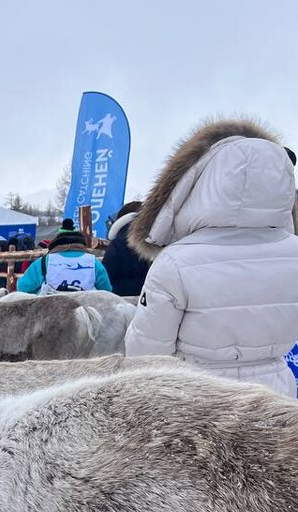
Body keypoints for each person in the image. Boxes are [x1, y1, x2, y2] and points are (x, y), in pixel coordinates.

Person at [125, 119, 298, 397]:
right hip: (277, 398)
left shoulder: (175, 262)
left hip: (198, 401)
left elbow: (145, 354)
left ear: (202, 182)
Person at [15, 221, 113, 294]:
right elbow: (106, 290)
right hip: (87, 312)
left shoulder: (44, 262)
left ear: (56, 241)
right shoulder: (93, 262)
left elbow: (23, 287)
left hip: (50, 313)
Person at [101, 201, 151, 297]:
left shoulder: (116, 244)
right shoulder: (153, 240)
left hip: (119, 299)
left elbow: (106, 276)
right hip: (147, 298)